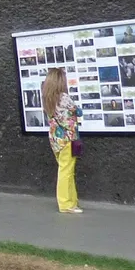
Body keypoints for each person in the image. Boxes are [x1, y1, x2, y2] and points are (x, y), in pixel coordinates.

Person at [42, 68, 82, 214]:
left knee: (65, 169)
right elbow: (78, 111)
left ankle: (72, 201)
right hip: (68, 138)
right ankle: (66, 203)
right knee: (67, 172)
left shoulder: (48, 98)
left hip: (55, 139)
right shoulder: (64, 97)